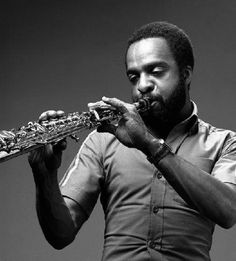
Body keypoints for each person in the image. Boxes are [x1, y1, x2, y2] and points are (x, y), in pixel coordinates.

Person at [28, 21, 236, 261]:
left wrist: (149, 144)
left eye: (156, 72)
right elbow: (60, 235)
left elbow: (228, 211)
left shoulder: (226, 143)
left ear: (185, 74)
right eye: (134, 76)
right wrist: (45, 175)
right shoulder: (101, 140)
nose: (142, 86)